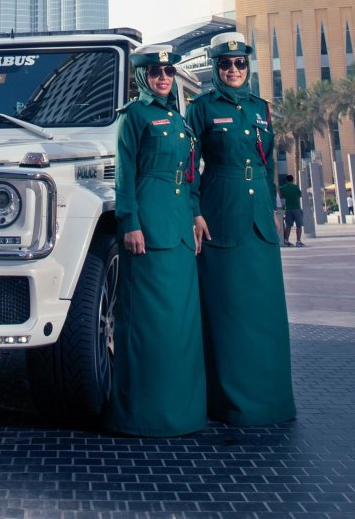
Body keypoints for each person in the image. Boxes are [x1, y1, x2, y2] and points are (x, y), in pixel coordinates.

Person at [187, 32, 296, 426]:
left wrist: (273, 209)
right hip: (220, 212)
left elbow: (266, 166)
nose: (233, 70)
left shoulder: (262, 109)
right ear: (215, 68)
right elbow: (187, 168)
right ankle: (228, 403)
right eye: (225, 64)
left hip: (259, 220)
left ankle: (272, 400)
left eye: (239, 64)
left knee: (264, 311)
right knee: (227, 309)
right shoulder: (201, 108)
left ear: (247, 67)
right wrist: (194, 211)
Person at [104, 45, 206, 437]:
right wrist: (129, 222)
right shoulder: (134, 116)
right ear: (142, 77)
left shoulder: (177, 119)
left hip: (179, 225)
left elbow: (189, 173)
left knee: (179, 322)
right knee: (149, 320)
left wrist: (195, 214)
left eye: (167, 72)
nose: (163, 78)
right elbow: (124, 173)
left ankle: (182, 411)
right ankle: (142, 414)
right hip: (148, 223)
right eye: (155, 73)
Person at [280, 175, 304, 247]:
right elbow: (300, 195)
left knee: (288, 226)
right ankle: (298, 241)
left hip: (288, 209)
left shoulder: (283, 188)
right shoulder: (296, 187)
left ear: (286, 180)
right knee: (299, 225)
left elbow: (282, 196)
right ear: (292, 180)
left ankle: (286, 241)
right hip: (297, 208)